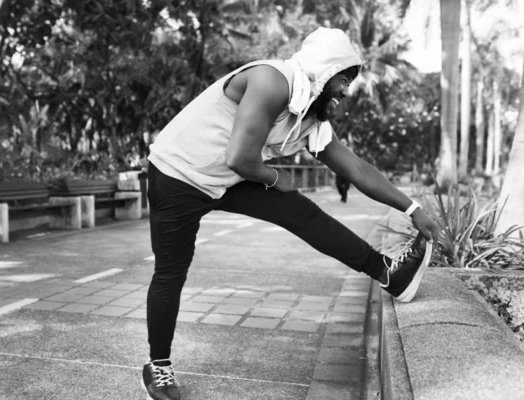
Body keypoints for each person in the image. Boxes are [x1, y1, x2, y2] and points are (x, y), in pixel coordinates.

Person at [141, 27, 439, 400]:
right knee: (171, 271)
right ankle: (159, 367)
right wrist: (275, 176)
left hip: (229, 177)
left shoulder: (309, 116)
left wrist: (412, 208)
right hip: (178, 174)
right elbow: (240, 157)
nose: (346, 92)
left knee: (303, 213)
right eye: (343, 80)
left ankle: (388, 273)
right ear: (323, 72)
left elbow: (357, 170)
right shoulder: (271, 81)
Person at [335, 138, 352, 202]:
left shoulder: (349, 150)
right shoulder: (336, 150)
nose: (342, 143)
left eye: (344, 142)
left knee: (346, 187)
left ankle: (344, 198)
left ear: (346, 143)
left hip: (347, 171)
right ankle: (343, 195)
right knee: (338, 185)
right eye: (341, 142)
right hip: (339, 171)